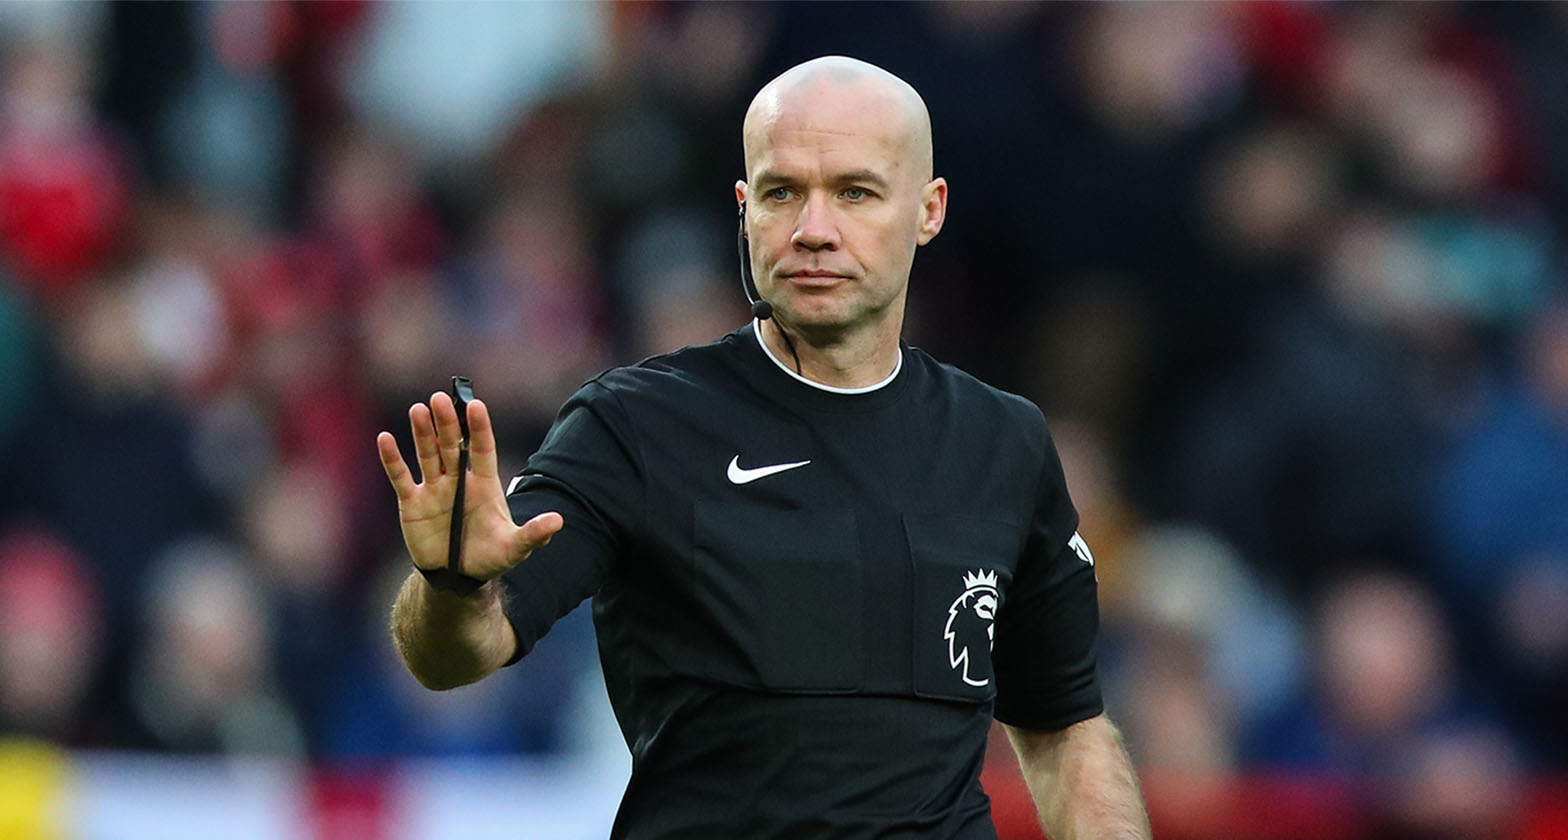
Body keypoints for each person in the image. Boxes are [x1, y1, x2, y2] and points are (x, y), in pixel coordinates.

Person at [380, 56, 1151, 840]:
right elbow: (458, 655)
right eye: (783, 193)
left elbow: (1064, 731)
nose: (814, 230)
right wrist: (450, 585)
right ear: (745, 211)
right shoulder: (635, 426)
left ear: (928, 210)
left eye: (855, 192)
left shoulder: (1003, 443)